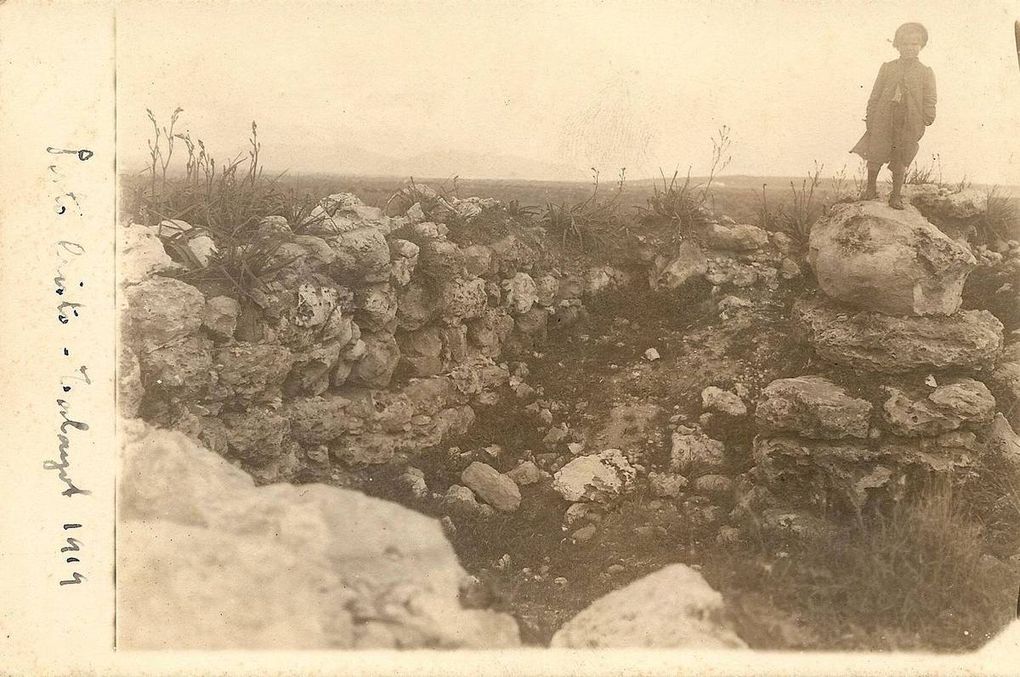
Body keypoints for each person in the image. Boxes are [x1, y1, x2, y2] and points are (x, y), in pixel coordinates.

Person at [851, 23, 937, 209]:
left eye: (915, 44)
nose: (910, 47)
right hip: (884, 117)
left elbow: (930, 97)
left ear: (921, 46)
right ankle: (870, 189)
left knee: (902, 155)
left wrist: (926, 118)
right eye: (905, 44)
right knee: (876, 152)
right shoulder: (887, 68)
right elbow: (875, 94)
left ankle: (896, 196)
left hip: (909, 120)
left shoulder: (925, 72)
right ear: (897, 45)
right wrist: (871, 117)